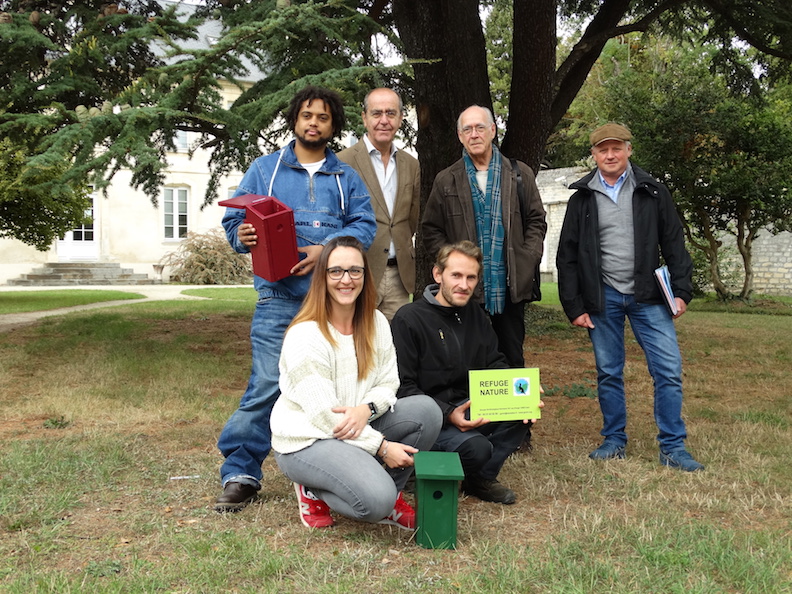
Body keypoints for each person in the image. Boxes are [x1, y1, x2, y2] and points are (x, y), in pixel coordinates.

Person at [215, 86, 377, 512]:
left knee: (333, 386)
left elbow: (364, 225)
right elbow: (235, 221)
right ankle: (241, 472)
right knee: (267, 384)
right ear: (294, 120)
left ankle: (323, 466)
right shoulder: (264, 171)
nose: (313, 123)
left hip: (330, 305)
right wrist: (242, 235)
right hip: (278, 300)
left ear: (332, 126)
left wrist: (327, 249)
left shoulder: (345, 178)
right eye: (307, 115)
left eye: (322, 118)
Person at [556, 123, 704, 472]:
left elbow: (674, 242)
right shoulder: (582, 199)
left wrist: (681, 291)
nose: (610, 155)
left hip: (649, 296)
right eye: (602, 150)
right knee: (609, 371)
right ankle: (614, 440)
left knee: (668, 370)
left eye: (616, 148)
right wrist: (574, 306)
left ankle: (672, 447)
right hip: (602, 297)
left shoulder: (652, 191)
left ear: (628, 150)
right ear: (593, 155)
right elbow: (568, 255)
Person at [271, 236, 443, 529]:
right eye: (335, 271)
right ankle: (312, 488)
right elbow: (326, 418)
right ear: (322, 277)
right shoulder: (306, 335)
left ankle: (390, 493)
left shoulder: (375, 322)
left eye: (355, 270)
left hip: (354, 424)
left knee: (427, 411)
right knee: (375, 500)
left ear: (365, 274)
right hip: (309, 440)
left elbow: (390, 383)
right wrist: (382, 447)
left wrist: (366, 409)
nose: (345, 280)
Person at [391, 241, 542, 505]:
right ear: (438, 275)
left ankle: (480, 479)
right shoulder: (408, 319)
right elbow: (403, 387)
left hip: (469, 405)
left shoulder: (476, 314)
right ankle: (415, 467)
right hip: (427, 418)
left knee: (522, 412)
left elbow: (494, 362)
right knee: (476, 448)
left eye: (471, 277)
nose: (464, 285)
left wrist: (521, 391)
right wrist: (449, 414)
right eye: (456, 275)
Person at [422, 105, 547, 369]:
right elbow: (431, 228)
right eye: (467, 129)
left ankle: (514, 410)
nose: (474, 134)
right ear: (459, 136)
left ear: (492, 131)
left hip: (509, 284)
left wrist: (527, 258)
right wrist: (451, 266)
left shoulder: (519, 174)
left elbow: (536, 220)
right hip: (466, 288)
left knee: (512, 356)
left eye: (480, 127)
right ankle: (470, 411)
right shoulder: (447, 180)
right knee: (467, 358)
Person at [337, 88, 420, 321]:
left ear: (401, 118)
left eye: (391, 113)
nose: (384, 120)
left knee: (395, 349)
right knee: (357, 346)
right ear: (364, 117)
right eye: (377, 113)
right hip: (357, 273)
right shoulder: (343, 162)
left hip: (399, 278)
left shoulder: (411, 165)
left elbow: (410, 219)